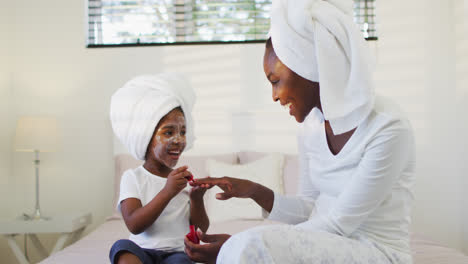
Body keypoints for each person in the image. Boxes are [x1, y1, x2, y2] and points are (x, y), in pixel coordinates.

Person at [184, 0, 415, 263]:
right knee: (249, 245)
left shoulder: (387, 126)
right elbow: (309, 209)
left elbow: (339, 224)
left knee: (251, 244)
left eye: (275, 81)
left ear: (309, 67)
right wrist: (254, 190)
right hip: (325, 244)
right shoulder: (311, 128)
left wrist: (238, 245)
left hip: (376, 252)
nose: (274, 96)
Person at [109, 73, 210, 264]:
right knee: (121, 247)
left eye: (183, 132)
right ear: (146, 136)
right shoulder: (133, 177)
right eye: (169, 132)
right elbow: (134, 225)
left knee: (182, 262)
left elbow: (201, 228)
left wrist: (196, 200)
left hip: (176, 253)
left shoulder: (183, 179)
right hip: (141, 252)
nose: (179, 139)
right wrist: (167, 191)